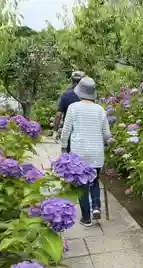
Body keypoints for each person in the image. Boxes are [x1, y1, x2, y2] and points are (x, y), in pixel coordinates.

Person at [59, 77, 112, 226]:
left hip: (79, 153)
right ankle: (96, 206)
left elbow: (66, 130)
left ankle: (86, 218)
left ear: (79, 92)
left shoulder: (73, 107)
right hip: (96, 152)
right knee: (94, 180)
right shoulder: (100, 109)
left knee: (81, 184)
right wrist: (109, 141)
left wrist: (63, 147)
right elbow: (106, 133)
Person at [53, 71, 85, 142]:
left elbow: (58, 115)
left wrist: (55, 131)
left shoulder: (65, 95)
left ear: (72, 80)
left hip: (69, 131)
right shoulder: (87, 96)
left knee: (67, 152)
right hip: (84, 132)